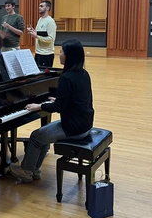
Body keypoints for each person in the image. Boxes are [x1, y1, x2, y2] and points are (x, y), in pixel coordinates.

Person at [9, 39, 94, 183]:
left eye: (61, 52)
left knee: (36, 137)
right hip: (85, 124)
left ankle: (27, 171)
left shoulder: (66, 77)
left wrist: (39, 106)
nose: (59, 54)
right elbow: (76, 99)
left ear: (69, 56)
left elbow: (59, 107)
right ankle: (34, 170)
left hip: (73, 128)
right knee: (42, 134)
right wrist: (59, 100)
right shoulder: (83, 74)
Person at [27, 0, 57, 68]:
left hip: (46, 54)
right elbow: (41, 33)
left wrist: (36, 36)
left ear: (47, 8)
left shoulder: (50, 22)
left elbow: (51, 39)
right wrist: (33, 30)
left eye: (41, 6)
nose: (39, 7)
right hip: (38, 53)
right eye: (39, 6)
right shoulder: (40, 19)